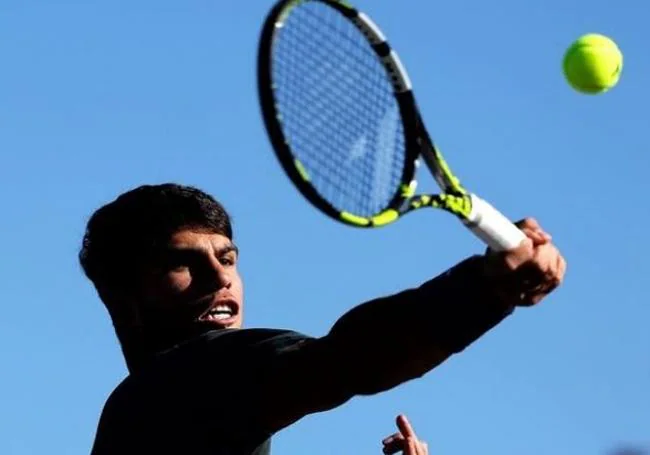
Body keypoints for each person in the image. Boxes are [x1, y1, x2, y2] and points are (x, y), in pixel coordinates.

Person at [80, 183, 566, 455]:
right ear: (123, 295)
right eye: (181, 263)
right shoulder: (174, 388)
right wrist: (486, 289)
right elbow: (346, 361)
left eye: (228, 259)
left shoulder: (152, 421)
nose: (220, 278)